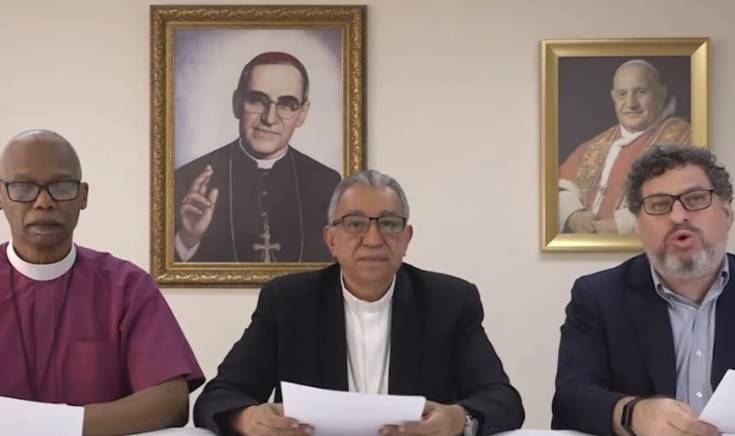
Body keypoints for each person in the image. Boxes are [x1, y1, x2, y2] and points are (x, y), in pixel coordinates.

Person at [194, 170, 524, 436]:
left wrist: (459, 419)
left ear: (406, 238)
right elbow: (219, 396)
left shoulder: (449, 301)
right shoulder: (288, 302)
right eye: (355, 224)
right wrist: (247, 420)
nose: (373, 239)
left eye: (389, 224)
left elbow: (502, 400)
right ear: (331, 239)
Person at [551, 145, 735, 435]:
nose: (678, 216)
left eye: (695, 199)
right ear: (639, 225)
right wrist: (632, 414)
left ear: (727, 213)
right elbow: (570, 400)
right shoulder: (599, 297)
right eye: (658, 205)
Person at [0, 130, 204, 434]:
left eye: (62, 186)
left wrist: (52, 424)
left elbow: (170, 402)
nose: (43, 202)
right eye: (24, 187)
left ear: (83, 196)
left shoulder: (127, 286)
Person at [174, 51, 341, 263]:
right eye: (257, 101)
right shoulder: (187, 179)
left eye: (286, 104)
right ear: (237, 103)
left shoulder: (327, 184)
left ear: (302, 113)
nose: (269, 119)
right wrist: (188, 239)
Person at [558, 59, 692, 235]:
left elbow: (686, 201)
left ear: (661, 94)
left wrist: (622, 226)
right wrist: (574, 217)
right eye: (622, 94)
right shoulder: (595, 145)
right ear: (614, 97)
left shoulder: (685, 141)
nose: (631, 103)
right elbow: (558, 188)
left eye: (641, 92)